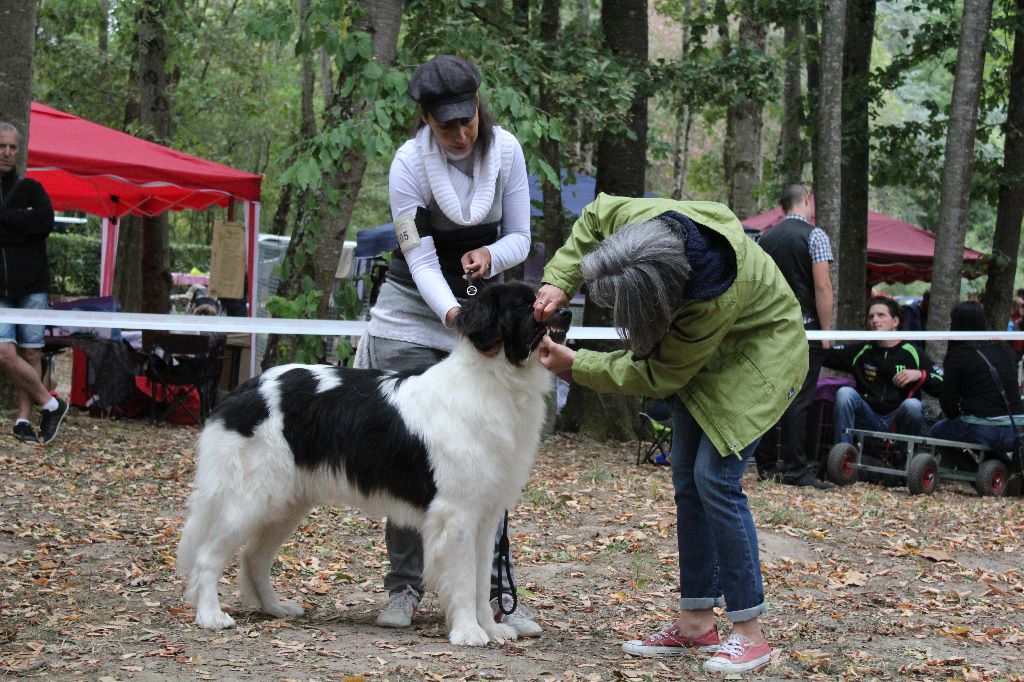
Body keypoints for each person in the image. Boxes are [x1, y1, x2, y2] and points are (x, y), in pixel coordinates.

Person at [533, 194, 807, 674]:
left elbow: (659, 374)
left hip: (759, 358)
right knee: (687, 478)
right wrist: (560, 279)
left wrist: (577, 367)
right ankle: (697, 623)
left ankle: (750, 633)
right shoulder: (641, 222)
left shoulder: (708, 300)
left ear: (659, 300)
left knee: (715, 480)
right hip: (704, 361)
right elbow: (595, 215)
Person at [361, 55, 540, 636]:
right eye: (447, 126)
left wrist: (493, 257)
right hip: (415, 313)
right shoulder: (407, 164)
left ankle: (492, 595)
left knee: (486, 463)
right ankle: (405, 589)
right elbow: (415, 253)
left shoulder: (507, 152)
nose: (460, 134)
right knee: (410, 458)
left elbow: (521, 235)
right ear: (426, 119)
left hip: (481, 317)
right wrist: (453, 315)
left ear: (478, 108)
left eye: (467, 121)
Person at [753, 183, 834, 489]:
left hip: (770, 330)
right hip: (805, 329)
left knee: (769, 395)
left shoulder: (764, 238)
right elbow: (822, 287)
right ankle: (797, 468)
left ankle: (765, 464)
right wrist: (827, 332)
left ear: (782, 206)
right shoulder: (815, 236)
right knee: (799, 399)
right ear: (806, 202)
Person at [0, 121, 69, 444]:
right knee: (4, 353)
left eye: (13, 147)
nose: (7, 152)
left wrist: (7, 219)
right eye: (2, 146)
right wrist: (20, 221)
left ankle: (24, 420)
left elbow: (43, 222)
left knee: (30, 354)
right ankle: (52, 403)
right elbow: (29, 225)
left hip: (33, 286)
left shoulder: (32, 188)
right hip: (1, 290)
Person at [825, 295, 943, 446]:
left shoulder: (913, 352)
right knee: (845, 393)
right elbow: (823, 355)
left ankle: (908, 461)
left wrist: (921, 375)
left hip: (898, 420)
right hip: (868, 417)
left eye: (881, 315)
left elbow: (942, 382)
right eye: (871, 316)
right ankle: (843, 454)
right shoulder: (861, 351)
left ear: (895, 321)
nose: (874, 320)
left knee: (912, 405)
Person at [930, 301, 1023, 451]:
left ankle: (971, 471)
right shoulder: (1004, 349)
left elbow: (949, 403)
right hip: (1017, 427)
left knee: (937, 432)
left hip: (982, 429)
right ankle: (1001, 466)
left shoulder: (957, 355)